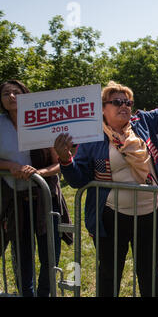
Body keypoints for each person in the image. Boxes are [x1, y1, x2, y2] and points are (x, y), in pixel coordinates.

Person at [53, 57, 158, 297]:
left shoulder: (142, 122)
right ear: (103, 108)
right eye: (117, 102)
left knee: (149, 274)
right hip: (111, 218)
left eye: (128, 102)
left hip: (150, 214)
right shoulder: (91, 136)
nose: (124, 105)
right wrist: (65, 160)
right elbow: (79, 180)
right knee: (109, 274)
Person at [0, 80, 73, 297]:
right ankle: (26, 293)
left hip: (45, 197)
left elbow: (62, 162)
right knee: (22, 255)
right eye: (5, 93)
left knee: (50, 253)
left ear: (27, 96)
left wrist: (39, 174)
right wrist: (11, 166)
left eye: (16, 92)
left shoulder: (46, 121)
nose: (11, 97)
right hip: (15, 200)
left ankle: (45, 293)